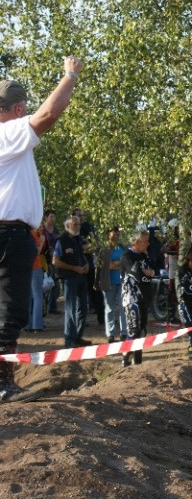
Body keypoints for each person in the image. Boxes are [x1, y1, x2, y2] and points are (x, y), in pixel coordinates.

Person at [0, 55, 82, 402]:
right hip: (9, 234)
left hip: (10, 232)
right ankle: (2, 383)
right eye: (23, 109)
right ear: (18, 109)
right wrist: (70, 75)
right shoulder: (8, 132)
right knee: (11, 309)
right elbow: (49, 115)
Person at [52, 216, 92, 348]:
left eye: (79, 225)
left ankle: (78, 336)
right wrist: (73, 268)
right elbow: (55, 261)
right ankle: (69, 339)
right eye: (75, 225)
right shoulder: (61, 241)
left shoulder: (78, 239)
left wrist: (86, 265)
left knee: (83, 308)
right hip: (69, 278)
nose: (78, 227)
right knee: (70, 308)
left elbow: (83, 255)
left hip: (81, 277)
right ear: (67, 226)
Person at [121, 229, 155, 367]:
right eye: (146, 241)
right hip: (131, 298)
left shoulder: (144, 256)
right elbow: (139, 276)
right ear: (137, 242)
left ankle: (137, 361)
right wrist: (147, 273)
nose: (148, 244)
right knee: (134, 330)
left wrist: (148, 272)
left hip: (144, 296)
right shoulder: (127, 257)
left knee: (142, 330)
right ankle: (125, 355)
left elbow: (153, 271)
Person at [98, 226, 127, 343]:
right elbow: (107, 265)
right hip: (108, 282)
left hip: (122, 281)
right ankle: (110, 333)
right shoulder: (105, 249)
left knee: (123, 307)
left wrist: (117, 264)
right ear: (108, 235)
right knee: (109, 308)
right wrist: (117, 264)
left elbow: (126, 263)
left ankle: (124, 332)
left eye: (118, 234)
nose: (116, 236)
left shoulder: (123, 248)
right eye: (114, 234)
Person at [24, 223, 47, 332]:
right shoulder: (33, 234)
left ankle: (27, 325)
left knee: (28, 296)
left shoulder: (23, 234)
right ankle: (37, 325)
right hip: (35, 267)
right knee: (37, 297)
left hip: (25, 268)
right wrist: (42, 241)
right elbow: (37, 251)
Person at [42, 208, 60, 314]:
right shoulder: (42, 230)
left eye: (54, 217)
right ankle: (44, 306)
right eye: (51, 217)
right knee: (45, 284)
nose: (53, 219)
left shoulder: (55, 230)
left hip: (55, 258)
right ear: (46, 217)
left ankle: (52, 306)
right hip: (44, 259)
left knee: (55, 284)